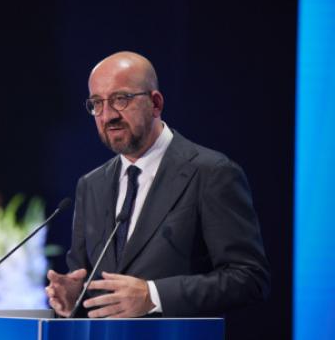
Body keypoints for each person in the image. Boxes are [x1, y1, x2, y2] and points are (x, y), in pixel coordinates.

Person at [46, 51, 270, 318]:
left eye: (120, 99)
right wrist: (75, 299)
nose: (107, 115)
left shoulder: (212, 173)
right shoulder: (91, 185)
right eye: (97, 103)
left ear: (155, 103)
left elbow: (249, 278)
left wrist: (153, 295)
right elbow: (86, 281)